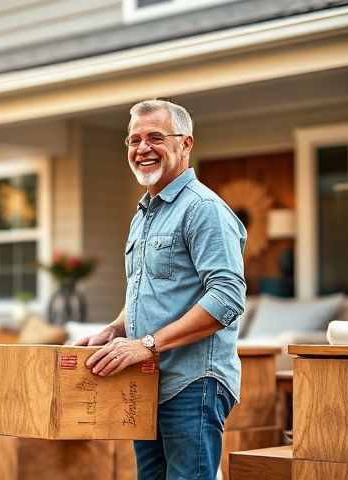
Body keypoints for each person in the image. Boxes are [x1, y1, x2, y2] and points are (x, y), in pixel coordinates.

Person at [72, 99, 247, 480]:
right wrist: (117, 329)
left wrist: (146, 344)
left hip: (193, 382)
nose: (142, 148)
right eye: (134, 140)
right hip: (147, 381)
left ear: (186, 144)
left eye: (155, 137)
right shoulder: (146, 213)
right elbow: (147, 289)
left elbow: (227, 297)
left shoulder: (203, 209)